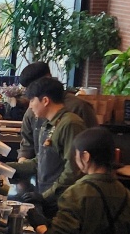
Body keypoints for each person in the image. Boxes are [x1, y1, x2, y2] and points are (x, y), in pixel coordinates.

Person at [12, 77, 87, 212]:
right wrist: (5, 167)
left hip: (62, 203)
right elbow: (40, 161)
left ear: (45, 101)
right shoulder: (48, 125)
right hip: (47, 197)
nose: (30, 106)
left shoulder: (70, 124)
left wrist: (45, 196)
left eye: (32, 100)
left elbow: (72, 170)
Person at [16, 61, 97, 163]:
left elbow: (94, 145)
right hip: (41, 169)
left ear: (48, 78)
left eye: (35, 86)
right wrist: (21, 164)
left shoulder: (78, 107)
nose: (32, 93)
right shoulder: (32, 111)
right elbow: (27, 146)